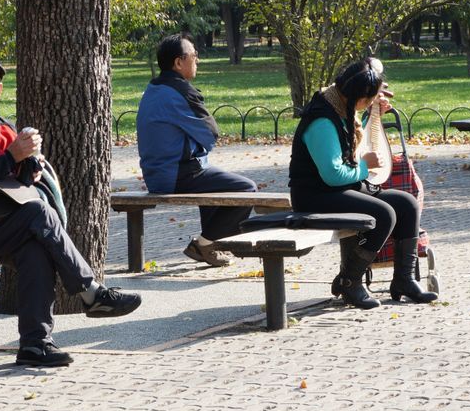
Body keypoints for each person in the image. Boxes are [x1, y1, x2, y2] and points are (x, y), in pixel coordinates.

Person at [0, 49, 143, 368]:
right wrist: (10, 158)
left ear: (0, 89)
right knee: (37, 214)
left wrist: (28, 164)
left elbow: (10, 179)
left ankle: (35, 344)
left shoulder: (3, 129)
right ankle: (90, 292)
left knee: (35, 244)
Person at [288, 58, 438, 309]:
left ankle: (404, 279)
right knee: (383, 213)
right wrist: (366, 166)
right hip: (315, 194)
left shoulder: (340, 105)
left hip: (338, 189)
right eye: (369, 99)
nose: (371, 101)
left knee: (406, 203)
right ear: (357, 96)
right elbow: (332, 174)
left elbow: (351, 140)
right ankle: (350, 282)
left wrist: (373, 115)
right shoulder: (322, 120)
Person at [136, 34, 258, 267]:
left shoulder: (154, 88)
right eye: (193, 55)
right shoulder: (180, 92)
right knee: (247, 189)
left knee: (216, 182)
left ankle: (208, 247)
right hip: (176, 175)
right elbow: (211, 134)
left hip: (157, 174)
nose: (197, 59)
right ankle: (204, 243)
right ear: (178, 62)